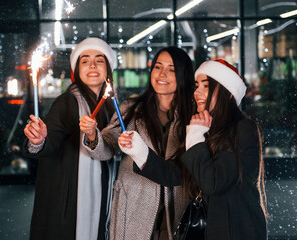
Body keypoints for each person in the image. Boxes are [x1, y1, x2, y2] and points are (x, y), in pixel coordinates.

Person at [118, 59, 268, 240]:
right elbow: (175, 173)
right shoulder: (204, 129)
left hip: (237, 232)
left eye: (206, 86)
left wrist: (196, 137)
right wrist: (138, 149)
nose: (197, 92)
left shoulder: (242, 129)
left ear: (227, 93)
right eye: (197, 86)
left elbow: (213, 183)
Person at [79, 46, 195, 240]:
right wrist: (92, 135)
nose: (162, 74)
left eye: (171, 69)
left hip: (178, 209)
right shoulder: (131, 109)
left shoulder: (193, 116)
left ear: (184, 75)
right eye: (158, 67)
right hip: (134, 207)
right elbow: (106, 148)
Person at [23, 37, 116, 240]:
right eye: (85, 61)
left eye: (99, 60)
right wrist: (38, 141)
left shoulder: (110, 107)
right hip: (68, 204)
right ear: (76, 70)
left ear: (108, 69)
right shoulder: (67, 102)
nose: (92, 65)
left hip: (97, 199)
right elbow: (51, 138)